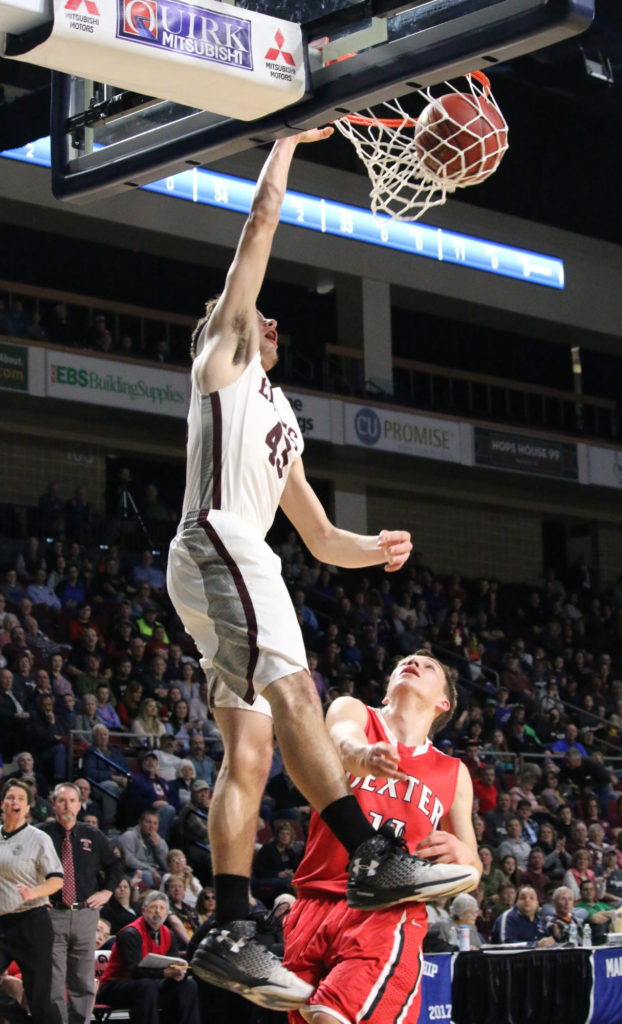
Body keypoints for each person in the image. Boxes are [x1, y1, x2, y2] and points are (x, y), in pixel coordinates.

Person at [167, 130, 470, 1008]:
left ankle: (228, 926)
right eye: (249, 310)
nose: (264, 317)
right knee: (297, 687)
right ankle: (372, 855)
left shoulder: (283, 417)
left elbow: (321, 534)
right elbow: (260, 223)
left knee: (250, 751)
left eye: (265, 317)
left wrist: (373, 548)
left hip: (238, 558)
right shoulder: (220, 360)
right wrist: (288, 142)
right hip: (220, 540)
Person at [283, 651, 480, 1024]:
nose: (415, 664)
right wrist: (363, 754)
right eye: (405, 662)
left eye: (429, 666)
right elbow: (341, 740)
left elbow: (473, 864)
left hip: (386, 911)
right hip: (311, 902)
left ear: (444, 703)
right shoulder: (354, 711)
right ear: (388, 692)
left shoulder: (454, 773)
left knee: (331, 1016)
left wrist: (464, 854)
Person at [38, 782, 123, 1024]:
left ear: (79, 804)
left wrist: (107, 891)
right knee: (54, 980)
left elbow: (115, 867)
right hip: (52, 913)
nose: (67, 805)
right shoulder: (41, 834)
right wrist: (38, 895)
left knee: (83, 980)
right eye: (62, 800)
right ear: (53, 804)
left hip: (86, 915)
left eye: (72, 800)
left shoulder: (93, 835)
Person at [0, 780, 64, 1024]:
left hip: (31, 922)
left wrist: (34, 892)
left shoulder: (38, 838)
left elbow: (57, 880)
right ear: (2, 803)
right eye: (10, 797)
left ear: (27, 808)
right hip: (2, 923)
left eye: (20, 799)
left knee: (39, 999)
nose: (14, 802)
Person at [98, 890, 199, 1024]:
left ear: (167, 912)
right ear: (144, 910)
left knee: (188, 984)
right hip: (115, 986)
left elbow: (175, 962)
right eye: (153, 907)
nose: (158, 911)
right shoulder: (130, 933)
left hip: (150, 985)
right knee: (147, 985)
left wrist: (178, 972)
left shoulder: (169, 934)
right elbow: (134, 971)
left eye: (162, 908)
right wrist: (165, 972)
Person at [119, 811, 169, 889]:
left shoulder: (161, 841)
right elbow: (128, 860)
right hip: (135, 871)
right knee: (147, 876)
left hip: (156, 871)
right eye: (148, 822)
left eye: (155, 823)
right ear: (140, 822)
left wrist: (158, 847)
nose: (151, 826)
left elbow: (167, 866)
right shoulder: (129, 836)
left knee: (170, 877)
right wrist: (151, 870)